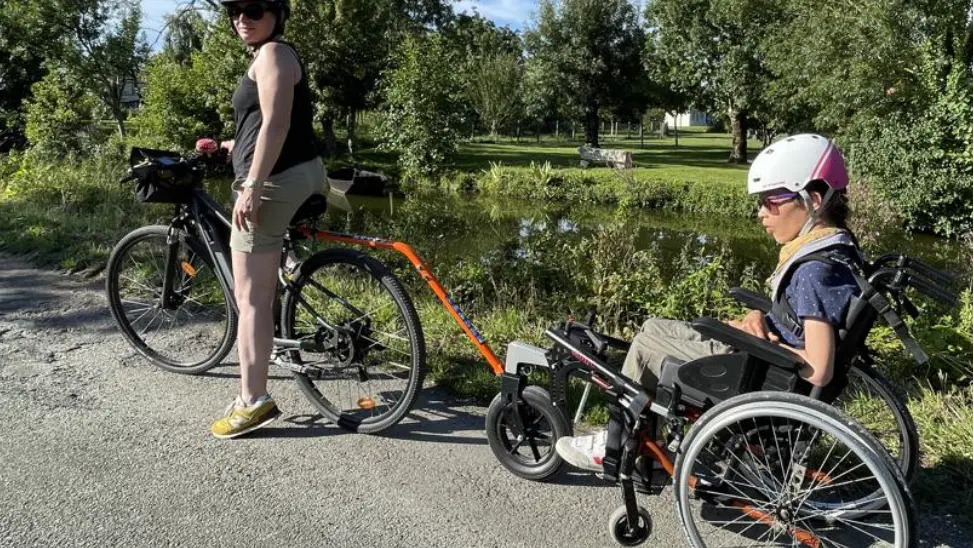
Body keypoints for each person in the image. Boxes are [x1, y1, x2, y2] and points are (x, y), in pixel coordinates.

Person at [556, 134, 861, 470]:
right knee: (652, 326)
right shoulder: (834, 251)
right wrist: (760, 317)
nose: (761, 213)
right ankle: (649, 441)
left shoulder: (814, 271)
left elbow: (819, 369)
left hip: (758, 370)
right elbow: (797, 318)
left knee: (644, 345)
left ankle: (617, 443)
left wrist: (764, 341)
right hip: (761, 357)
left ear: (813, 199)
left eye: (770, 201)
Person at [209, 0, 326, 439]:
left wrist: (252, 184)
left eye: (254, 8)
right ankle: (285, 283)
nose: (243, 18)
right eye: (235, 10)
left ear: (277, 14)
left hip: (278, 180)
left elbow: (277, 125)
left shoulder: (275, 54)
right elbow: (262, 124)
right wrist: (229, 144)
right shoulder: (268, 56)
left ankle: (252, 401)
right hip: (300, 173)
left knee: (251, 298)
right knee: (264, 277)